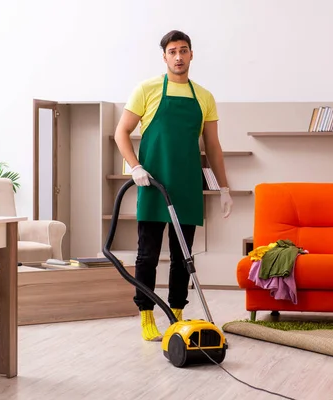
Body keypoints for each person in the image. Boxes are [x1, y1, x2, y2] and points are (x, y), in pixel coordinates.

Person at [114, 30, 233, 341]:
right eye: (172, 51)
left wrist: (224, 189)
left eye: (183, 50)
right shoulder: (147, 89)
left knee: (184, 256)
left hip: (187, 187)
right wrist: (135, 166)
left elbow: (213, 146)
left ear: (191, 54)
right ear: (164, 57)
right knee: (147, 255)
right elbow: (121, 133)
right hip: (153, 185)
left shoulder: (204, 96)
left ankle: (177, 315)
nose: (178, 56)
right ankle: (146, 315)